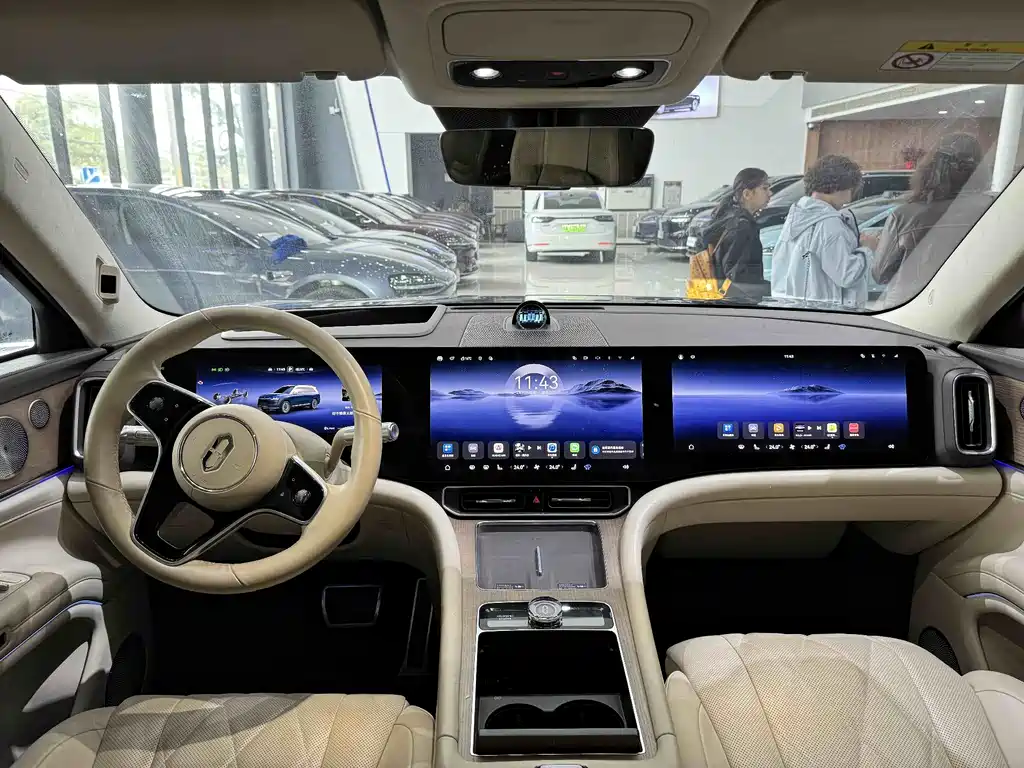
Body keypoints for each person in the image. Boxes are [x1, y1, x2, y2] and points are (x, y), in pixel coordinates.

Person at [872, 133, 992, 305]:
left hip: (911, 306)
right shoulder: (995, 210)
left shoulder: (905, 216)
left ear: (929, 167)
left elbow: (881, 274)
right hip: (974, 304)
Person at [771, 155, 874, 308]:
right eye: (851, 189)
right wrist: (866, 249)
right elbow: (846, 275)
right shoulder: (829, 224)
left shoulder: (798, 215)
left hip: (794, 308)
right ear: (839, 187)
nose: (850, 198)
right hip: (825, 311)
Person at [698, 167, 773, 302]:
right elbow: (737, 276)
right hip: (735, 304)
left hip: (718, 299)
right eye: (765, 188)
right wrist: (765, 289)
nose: (770, 193)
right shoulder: (742, 226)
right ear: (747, 194)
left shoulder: (729, 217)